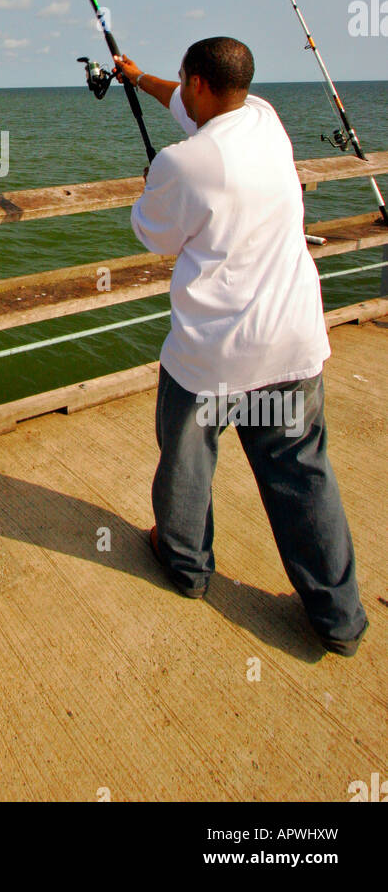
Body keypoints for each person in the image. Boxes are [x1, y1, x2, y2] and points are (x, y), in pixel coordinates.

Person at [115, 37, 368, 656]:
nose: (180, 89)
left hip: (212, 358)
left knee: (186, 461)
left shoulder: (184, 163)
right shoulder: (264, 118)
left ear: (201, 82)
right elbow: (183, 105)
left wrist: (153, 184)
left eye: (182, 80)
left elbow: (152, 233)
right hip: (293, 343)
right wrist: (141, 77)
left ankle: (185, 565)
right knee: (303, 474)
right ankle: (338, 616)